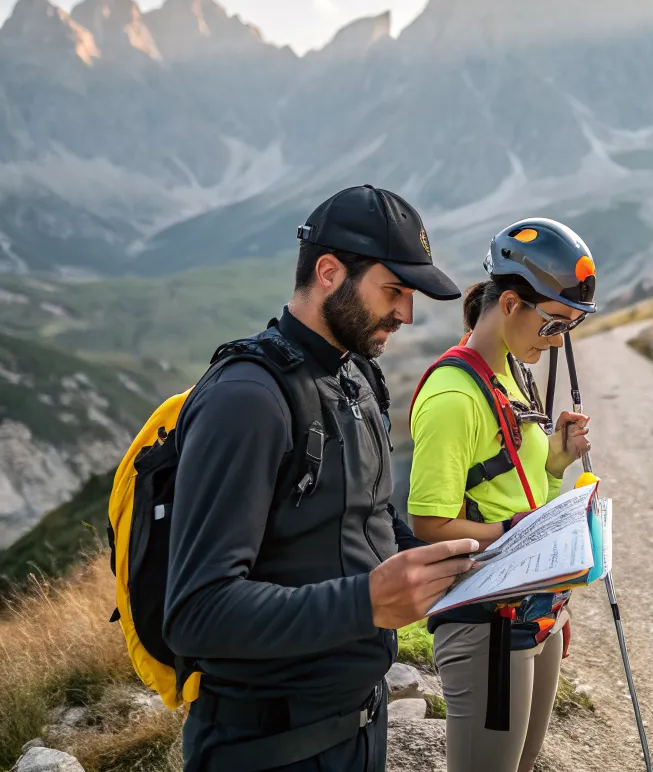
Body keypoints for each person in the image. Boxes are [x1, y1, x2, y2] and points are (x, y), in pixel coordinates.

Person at [164, 185, 482, 772]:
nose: (407, 314)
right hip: (265, 751)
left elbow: (371, 524)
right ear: (329, 272)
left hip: (359, 728)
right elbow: (195, 614)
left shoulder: (356, 375)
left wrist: (478, 568)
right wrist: (366, 602)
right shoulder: (247, 398)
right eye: (394, 290)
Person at [406, 218, 597, 772]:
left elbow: (512, 483)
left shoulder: (511, 369)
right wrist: (517, 535)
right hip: (486, 618)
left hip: (533, 602)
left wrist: (556, 459)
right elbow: (429, 523)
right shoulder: (452, 397)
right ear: (511, 303)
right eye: (555, 323)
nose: (559, 339)